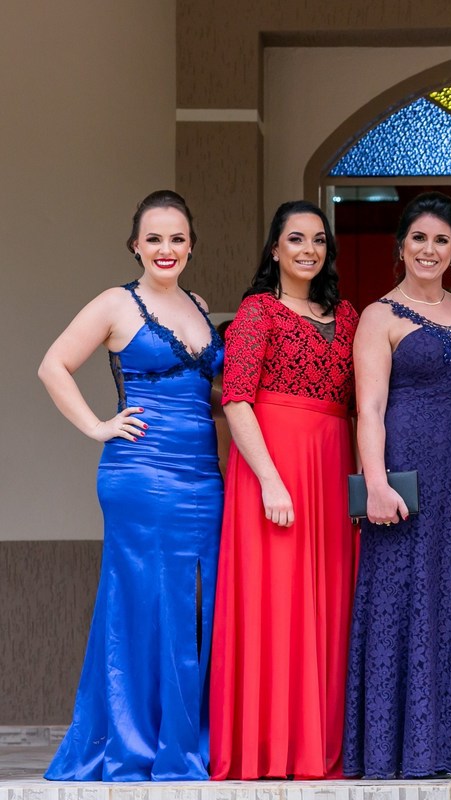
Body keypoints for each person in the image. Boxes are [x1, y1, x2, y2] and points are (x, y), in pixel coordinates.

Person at [39, 190, 222, 781]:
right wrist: (98, 426)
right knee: (147, 602)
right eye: (154, 238)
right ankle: (138, 741)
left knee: (197, 605)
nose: (166, 248)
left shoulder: (199, 305)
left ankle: (184, 736)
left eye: (177, 238)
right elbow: (52, 365)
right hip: (142, 473)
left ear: (191, 246)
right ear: (135, 245)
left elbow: (215, 393)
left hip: (204, 476)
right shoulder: (116, 302)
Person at [343, 192, 451, 778]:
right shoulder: (378, 315)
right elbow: (369, 408)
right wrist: (376, 484)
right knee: (403, 596)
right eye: (419, 238)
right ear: (401, 246)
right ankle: (399, 750)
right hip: (404, 468)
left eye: (441, 240)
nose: (429, 250)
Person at [209, 200, 359, 780]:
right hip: (271, 470)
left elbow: (364, 402)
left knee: (329, 604)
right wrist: (271, 480)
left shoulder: (347, 316)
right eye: (296, 239)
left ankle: (318, 744)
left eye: (318, 240)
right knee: (274, 602)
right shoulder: (257, 312)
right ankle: (268, 747)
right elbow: (236, 399)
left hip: (332, 465)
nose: (308, 250)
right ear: (275, 249)